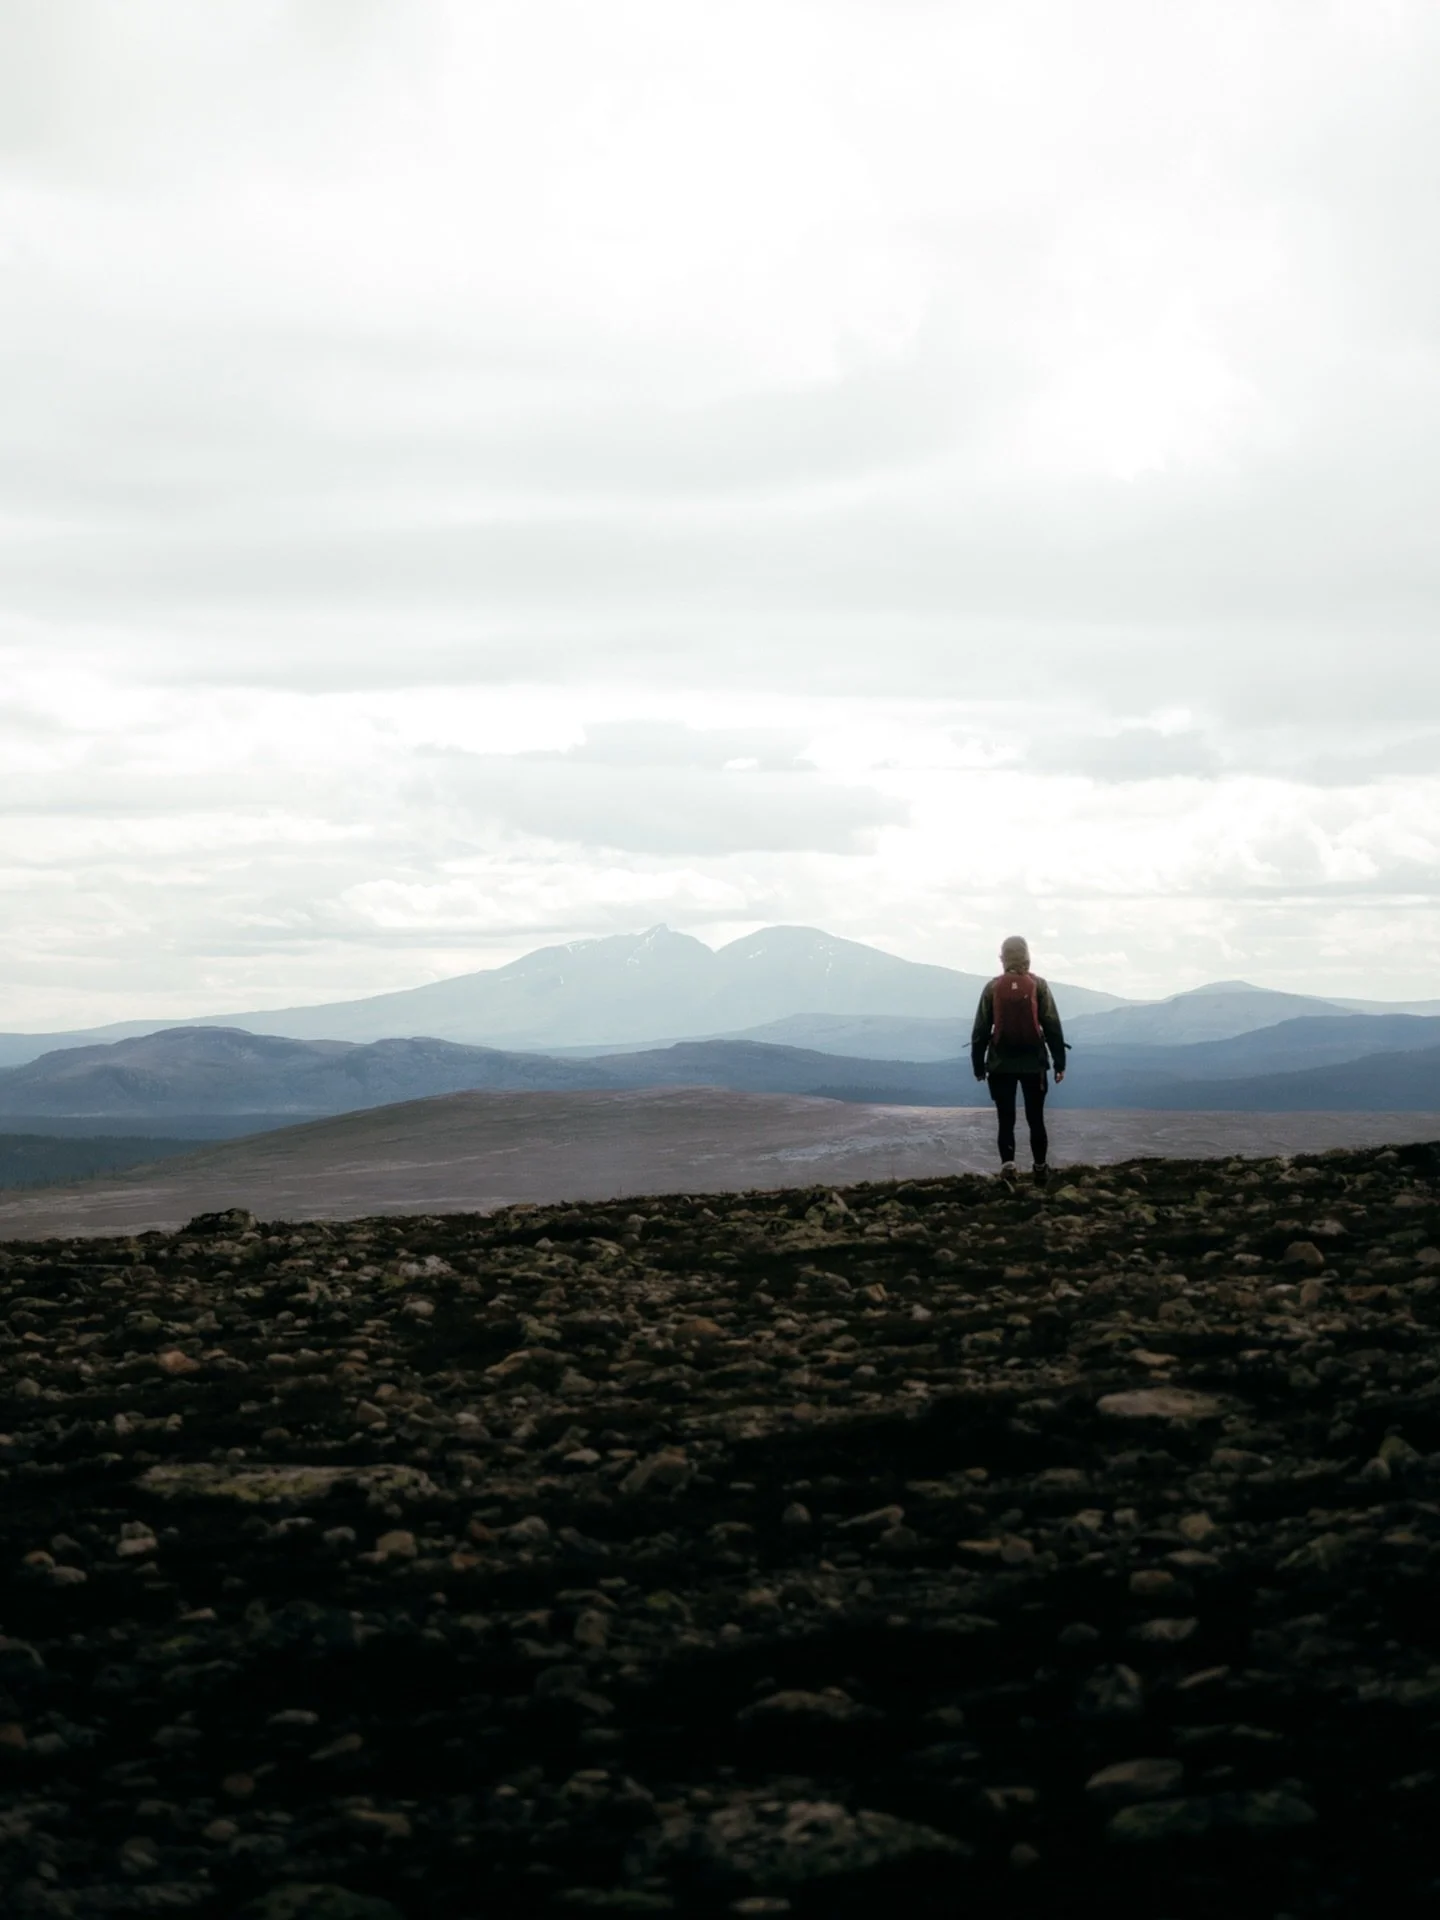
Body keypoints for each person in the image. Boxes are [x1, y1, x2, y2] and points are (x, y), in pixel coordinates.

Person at [970, 935, 1067, 1186]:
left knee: (1006, 1119)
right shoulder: (1039, 986)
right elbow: (1052, 1025)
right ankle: (1040, 1169)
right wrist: (1059, 1063)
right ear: (1027, 956)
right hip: (1034, 1064)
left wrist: (978, 1066)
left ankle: (1009, 1168)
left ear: (1002, 958)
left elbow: (980, 1030)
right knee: (1036, 1118)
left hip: (1000, 1065)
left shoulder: (992, 988)